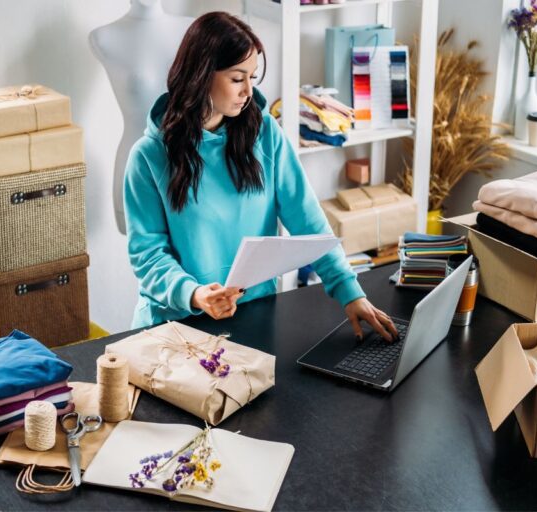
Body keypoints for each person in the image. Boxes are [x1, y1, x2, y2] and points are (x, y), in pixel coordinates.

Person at [123, 11, 398, 341]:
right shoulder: (148, 157)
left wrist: (350, 292)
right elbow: (149, 256)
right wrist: (195, 294)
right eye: (238, 79)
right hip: (176, 324)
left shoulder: (265, 133)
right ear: (200, 75)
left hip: (253, 315)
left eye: (253, 77)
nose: (248, 91)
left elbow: (308, 222)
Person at [89, 0, 193, 234]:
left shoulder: (192, 30)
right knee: (145, 259)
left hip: (190, 161)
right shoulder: (104, 37)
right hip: (136, 165)